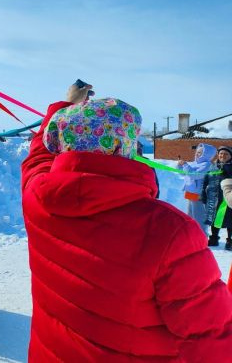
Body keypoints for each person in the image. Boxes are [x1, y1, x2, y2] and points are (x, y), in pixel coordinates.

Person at [21, 83, 232, 361]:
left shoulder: (37, 198)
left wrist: (66, 106)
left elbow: (38, 156)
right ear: (127, 145)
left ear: (60, 141)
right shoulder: (169, 231)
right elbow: (211, 337)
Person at [177, 142, 216, 232]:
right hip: (191, 193)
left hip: (199, 195)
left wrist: (185, 165)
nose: (197, 154)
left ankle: (202, 236)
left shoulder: (207, 165)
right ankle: (191, 234)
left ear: (207, 154)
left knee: (199, 217)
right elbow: (183, 173)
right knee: (190, 216)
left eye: (200, 153)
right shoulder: (194, 163)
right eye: (197, 152)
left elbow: (195, 175)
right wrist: (180, 165)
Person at [202, 146, 232, 248]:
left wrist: (226, 169)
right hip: (214, 198)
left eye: (226, 154)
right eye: (221, 154)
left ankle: (230, 241)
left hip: (228, 198)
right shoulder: (213, 167)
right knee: (214, 220)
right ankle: (214, 239)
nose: (223, 156)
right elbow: (205, 181)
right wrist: (203, 195)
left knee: (230, 220)